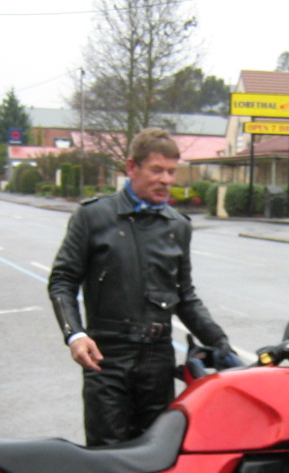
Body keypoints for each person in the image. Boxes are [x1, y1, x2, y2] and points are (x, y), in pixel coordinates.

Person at [48, 128, 234, 446]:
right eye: (157, 170)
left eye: (172, 172)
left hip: (157, 360)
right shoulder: (93, 217)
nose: (166, 180)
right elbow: (63, 280)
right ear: (132, 168)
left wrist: (221, 345)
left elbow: (185, 296)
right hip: (107, 357)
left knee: (157, 453)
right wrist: (75, 335)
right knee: (107, 454)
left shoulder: (178, 226)